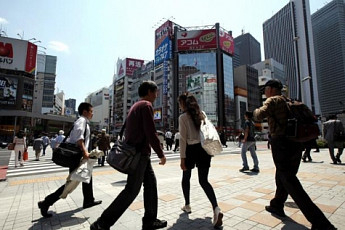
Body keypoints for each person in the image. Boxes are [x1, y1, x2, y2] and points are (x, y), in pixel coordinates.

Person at [253, 79, 336, 230]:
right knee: (284, 175)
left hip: (281, 143)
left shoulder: (273, 100)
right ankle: (277, 204)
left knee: (289, 179)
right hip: (296, 143)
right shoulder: (290, 100)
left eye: (265, 89)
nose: (265, 92)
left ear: (271, 89)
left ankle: (321, 222)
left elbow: (259, 115)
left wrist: (255, 111)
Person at [91, 81, 167, 230]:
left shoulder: (136, 106)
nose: (156, 95)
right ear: (149, 92)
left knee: (151, 185)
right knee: (131, 190)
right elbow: (150, 132)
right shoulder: (146, 106)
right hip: (139, 154)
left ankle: (150, 220)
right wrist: (160, 154)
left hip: (139, 153)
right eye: (155, 91)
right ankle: (102, 223)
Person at [38, 102, 102, 218]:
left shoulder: (84, 122)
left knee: (87, 177)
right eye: (91, 111)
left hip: (80, 156)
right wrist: (85, 152)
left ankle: (88, 200)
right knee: (71, 183)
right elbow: (79, 139)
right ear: (85, 112)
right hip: (77, 156)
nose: (92, 114)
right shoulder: (81, 121)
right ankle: (46, 202)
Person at [178, 92, 223, 228]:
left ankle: (187, 205)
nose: (179, 106)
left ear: (183, 104)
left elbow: (183, 139)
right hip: (204, 149)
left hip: (191, 150)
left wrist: (182, 158)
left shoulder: (183, 118)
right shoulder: (201, 114)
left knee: (186, 176)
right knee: (204, 180)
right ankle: (216, 208)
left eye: (180, 103)